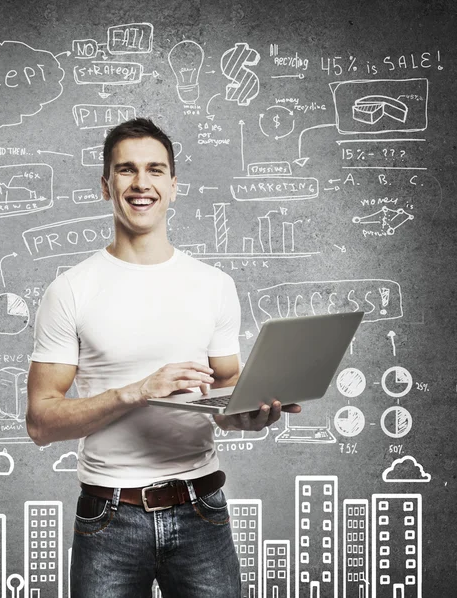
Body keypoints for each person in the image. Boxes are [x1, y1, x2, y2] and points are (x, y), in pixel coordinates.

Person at [26, 117, 301, 598]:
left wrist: (251, 415)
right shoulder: (69, 290)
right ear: (105, 185)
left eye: (155, 170)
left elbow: (225, 396)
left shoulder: (215, 285)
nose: (141, 183)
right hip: (108, 516)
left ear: (173, 185)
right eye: (126, 170)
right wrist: (137, 392)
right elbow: (41, 423)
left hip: (202, 510)